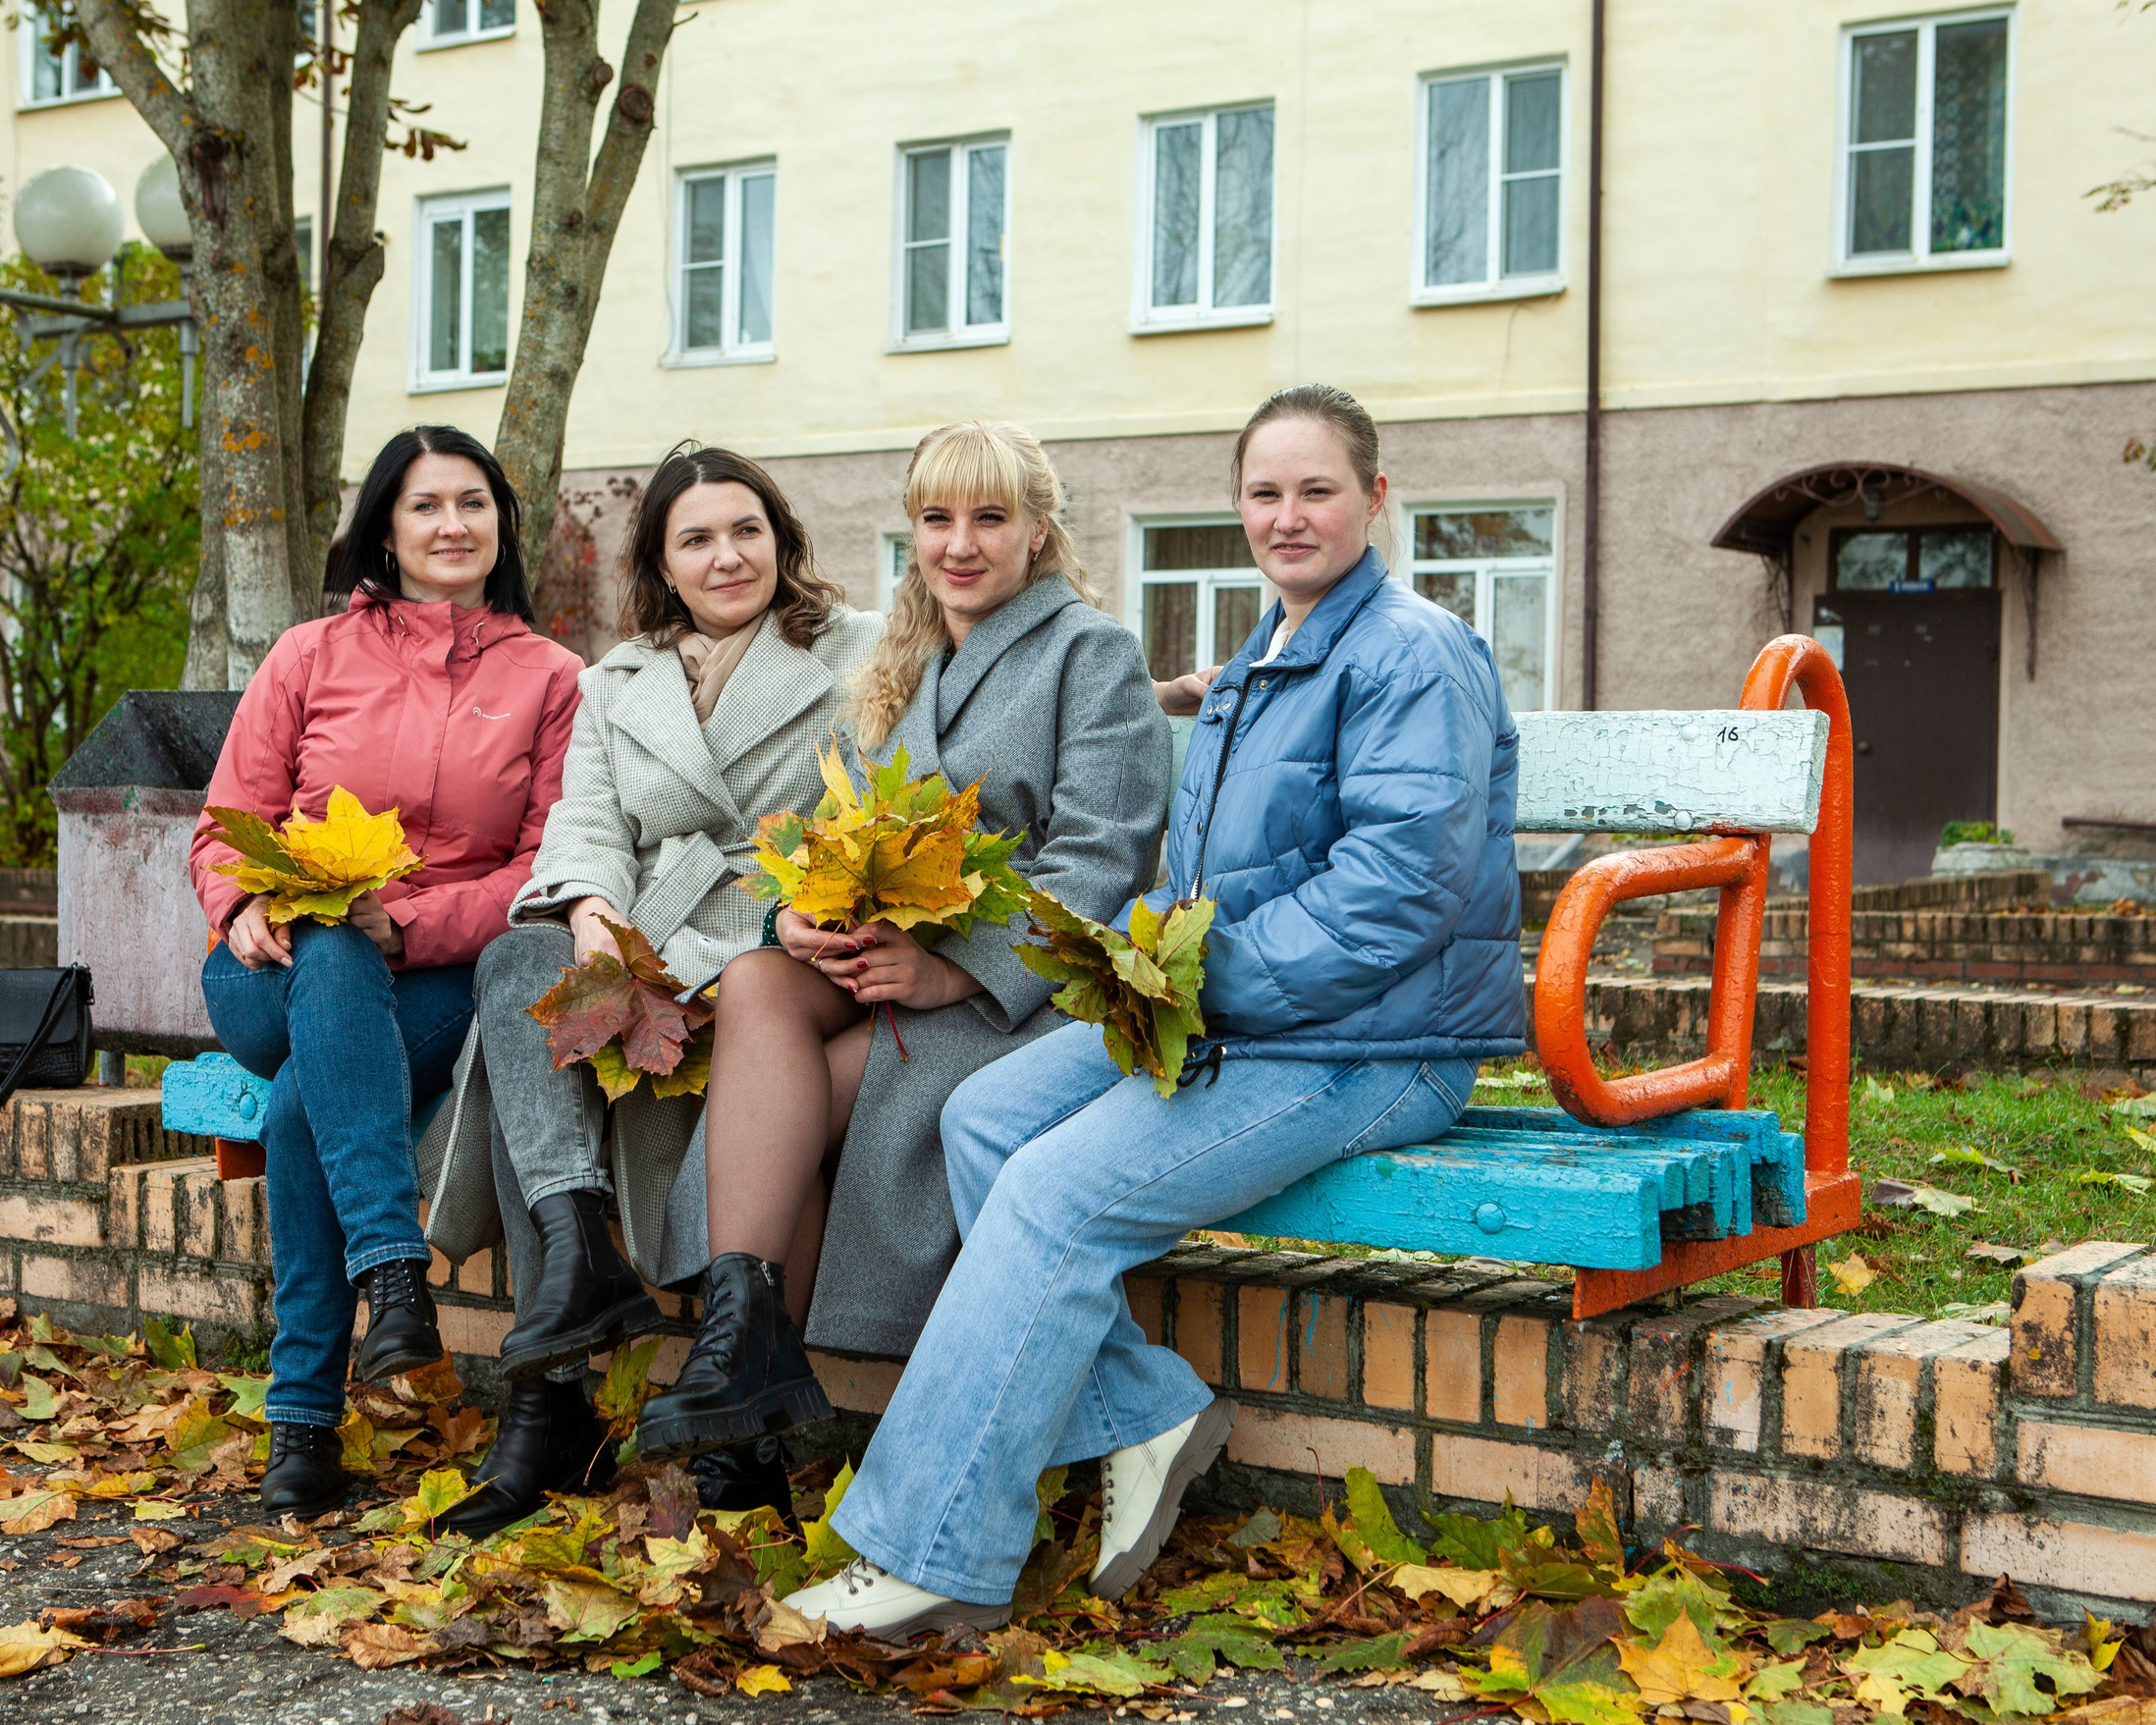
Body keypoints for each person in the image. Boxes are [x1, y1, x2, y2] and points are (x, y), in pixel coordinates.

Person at [786, 385, 1527, 1636]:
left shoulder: (1413, 650)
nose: (1287, 516)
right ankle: (1145, 1409)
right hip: (1250, 1018)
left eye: (1317, 489)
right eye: (1263, 492)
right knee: (981, 1117)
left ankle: (931, 1552)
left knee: (1052, 1192)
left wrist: (1191, 978)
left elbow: (1396, 891)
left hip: (1380, 1043)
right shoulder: (1276, 648)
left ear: (1376, 498)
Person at [631, 420, 1171, 1466]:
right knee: (757, 979)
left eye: (988, 517)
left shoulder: (1088, 652)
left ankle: (743, 1401)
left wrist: (950, 966)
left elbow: (1100, 864)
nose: (959, 543)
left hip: (1020, 990)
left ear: (1039, 532)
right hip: (876, 960)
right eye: (936, 518)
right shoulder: (901, 659)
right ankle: (746, 1360)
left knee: (796, 1099)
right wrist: (796, 910)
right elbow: (832, 829)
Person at [436, 444, 883, 1537]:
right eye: (696, 538)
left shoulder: (862, 652)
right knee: (520, 967)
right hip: (635, 934)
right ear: (661, 564)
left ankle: (550, 1411)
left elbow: (886, 808)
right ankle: (579, 1249)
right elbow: (584, 821)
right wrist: (588, 902)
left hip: (770, 952)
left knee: (530, 1046)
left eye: (746, 530)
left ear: (782, 539)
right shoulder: (616, 677)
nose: (726, 555)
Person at [190, 425, 582, 1521]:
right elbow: (224, 825)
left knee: (312, 1102)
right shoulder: (307, 655)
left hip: (433, 973)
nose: (451, 524)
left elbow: (547, 862)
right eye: (425, 505)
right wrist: (246, 900)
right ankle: (390, 1265)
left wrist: (409, 924)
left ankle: (302, 1416)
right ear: (385, 528)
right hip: (270, 967)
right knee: (324, 947)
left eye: (472, 502)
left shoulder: (552, 678)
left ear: (503, 521)